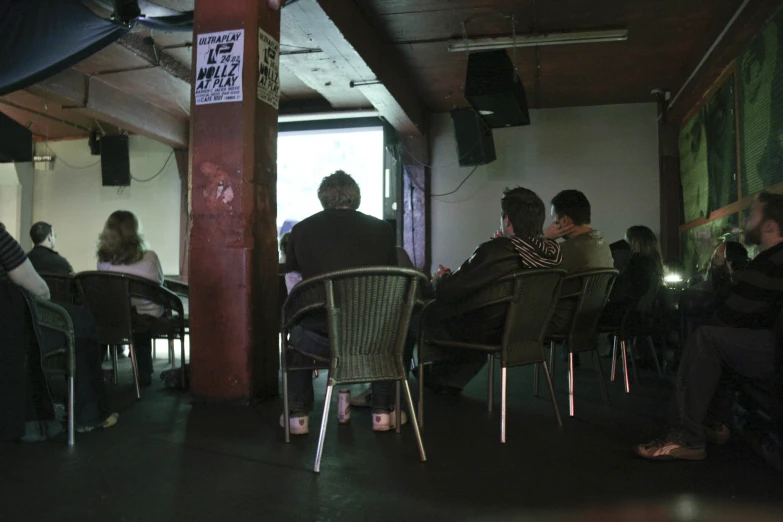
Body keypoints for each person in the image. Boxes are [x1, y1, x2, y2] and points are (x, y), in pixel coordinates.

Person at [637, 191, 783, 461]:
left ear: (771, 226)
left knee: (708, 337)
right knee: (714, 335)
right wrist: (718, 269)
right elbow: (738, 304)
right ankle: (716, 422)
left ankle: (686, 438)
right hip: (768, 341)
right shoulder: (767, 259)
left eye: (753, 215)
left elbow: (732, 312)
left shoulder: (774, 260)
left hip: (774, 349)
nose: (747, 220)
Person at [283, 171, 401, 435]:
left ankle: (297, 416)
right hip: (373, 338)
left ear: (323, 198)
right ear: (355, 197)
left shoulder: (300, 231)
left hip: (320, 338)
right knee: (390, 331)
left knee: (297, 329)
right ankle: (383, 411)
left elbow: (294, 287)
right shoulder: (382, 230)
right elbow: (390, 285)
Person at [419, 187, 562, 394]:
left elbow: (449, 291)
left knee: (416, 316)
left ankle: (393, 393)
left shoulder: (496, 250)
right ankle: (443, 378)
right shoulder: (551, 253)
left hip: (485, 330)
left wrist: (440, 280)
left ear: (507, 221)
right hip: (525, 329)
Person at [96, 210, 164, 387]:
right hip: (147, 317)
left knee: (119, 317)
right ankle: (144, 372)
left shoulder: (103, 260)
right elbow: (159, 283)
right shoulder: (150, 257)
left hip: (115, 316)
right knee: (140, 321)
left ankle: (93, 369)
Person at [545, 190, 614, 335]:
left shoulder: (565, 250)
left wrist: (544, 238)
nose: (553, 224)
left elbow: (533, 274)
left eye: (555, 219)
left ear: (565, 221)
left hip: (561, 322)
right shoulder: (603, 246)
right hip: (590, 320)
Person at [602, 226, 664, 325]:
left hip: (625, 316)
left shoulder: (636, 264)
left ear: (634, 242)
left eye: (626, 241)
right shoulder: (652, 264)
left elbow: (619, 294)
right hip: (637, 316)